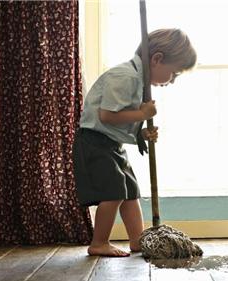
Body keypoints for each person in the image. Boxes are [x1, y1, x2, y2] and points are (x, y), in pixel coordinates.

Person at [73, 28, 197, 257]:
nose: (172, 81)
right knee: (114, 192)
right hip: (94, 142)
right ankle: (98, 242)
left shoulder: (139, 82)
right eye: (174, 73)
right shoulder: (125, 77)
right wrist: (142, 114)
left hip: (111, 144)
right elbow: (107, 116)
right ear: (157, 59)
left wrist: (141, 134)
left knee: (130, 190)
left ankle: (137, 240)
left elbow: (122, 120)